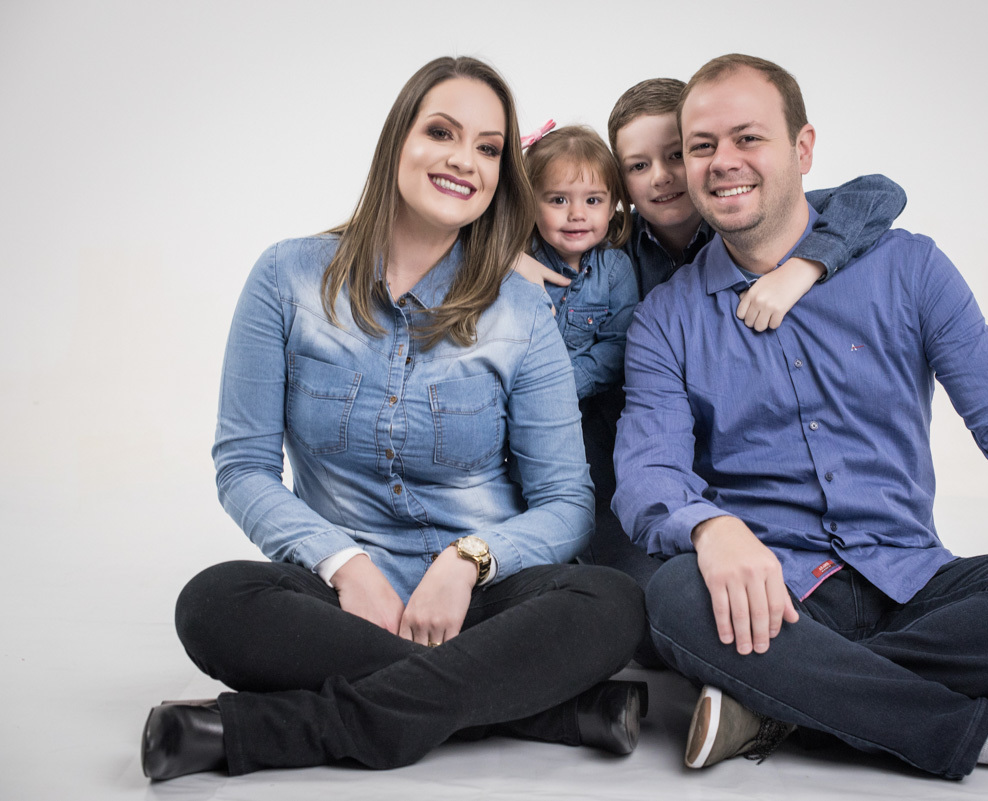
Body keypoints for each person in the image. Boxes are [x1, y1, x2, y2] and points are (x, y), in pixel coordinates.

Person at [614, 53, 988, 795]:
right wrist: (711, 529)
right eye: (702, 146)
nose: (723, 163)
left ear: (802, 148)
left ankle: (782, 701)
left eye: (748, 138)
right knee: (676, 596)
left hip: (913, 577)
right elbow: (648, 470)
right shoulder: (665, 318)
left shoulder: (909, 268)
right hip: (776, 594)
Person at [140, 56, 649, 782]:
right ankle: (539, 708)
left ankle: (270, 730)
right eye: (441, 131)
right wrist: (344, 564)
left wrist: (466, 561)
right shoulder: (285, 277)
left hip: (483, 602)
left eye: (487, 147)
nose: (462, 159)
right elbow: (244, 469)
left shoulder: (521, 309)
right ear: (396, 142)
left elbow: (567, 502)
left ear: (502, 175)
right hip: (342, 605)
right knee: (215, 602)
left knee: (611, 600)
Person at [565, 78, 908, 656]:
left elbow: (879, 193)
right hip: (641, 462)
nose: (663, 176)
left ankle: (810, 676)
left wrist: (805, 266)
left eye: (678, 154)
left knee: (761, 601)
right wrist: (510, 256)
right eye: (638, 165)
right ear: (619, 181)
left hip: (739, 466)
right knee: (653, 617)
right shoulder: (607, 254)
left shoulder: (748, 219)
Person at [524, 124, 639, 401]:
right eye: (559, 200)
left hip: (579, 406)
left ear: (613, 207)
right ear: (530, 203)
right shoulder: (518, 260)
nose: (577, 214)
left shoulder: (615, 270)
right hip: (514, 397)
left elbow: (617, 346)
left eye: (592, 200)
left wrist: (560, 389)